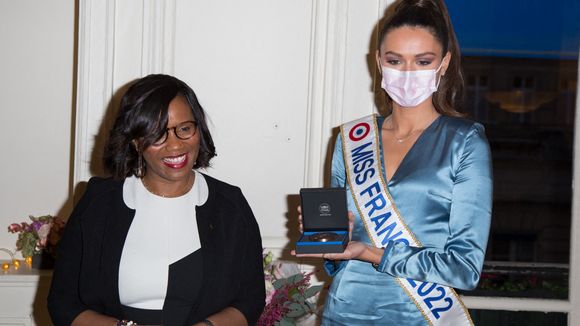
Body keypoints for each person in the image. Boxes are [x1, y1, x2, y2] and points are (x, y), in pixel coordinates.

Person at [294, 0, 492, 325]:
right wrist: (325, 237)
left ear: (444, 63)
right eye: (395, 60)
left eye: (423, 61)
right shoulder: (352, 139)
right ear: (378, 62)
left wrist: (370, 252)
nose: (408, 73)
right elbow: (339, 256)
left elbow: (464, 268)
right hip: (345, 312)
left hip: (419, 316)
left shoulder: (465, 142)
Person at [48, 74, 265, 326]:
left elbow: (250, 299)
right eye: (157, 134)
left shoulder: (230, 205)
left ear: (198, 129)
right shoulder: (99, 203)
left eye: (184, 129)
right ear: (135, 140)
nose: (175, 146)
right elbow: (63, 303)